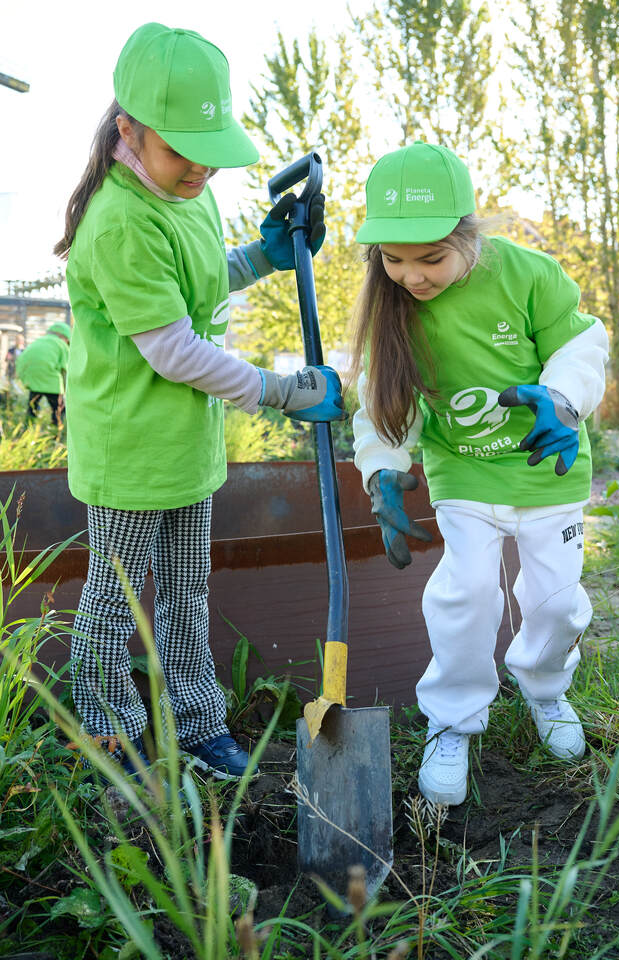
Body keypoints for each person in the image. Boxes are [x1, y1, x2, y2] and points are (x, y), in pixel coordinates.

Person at [54, 22, 345, 781]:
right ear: (128, 129)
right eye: (182, 151)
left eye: (209, 155)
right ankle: (111, 735)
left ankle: (196, 722)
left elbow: (202, 276)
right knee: (113, 603)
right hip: (130, 447)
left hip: (186, 441)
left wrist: (264, 257)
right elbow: (175, 350)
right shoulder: (117, 220)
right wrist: (282, 392)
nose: (199, 171)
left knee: (186, 593)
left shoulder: (186, 194)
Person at [350, 142, 609, 806]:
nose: (412, 276)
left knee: (556, 602)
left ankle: (544, 690)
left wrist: (561, 400)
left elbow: (581, 346)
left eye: (431, 257)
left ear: (469, 235)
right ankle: (453, 720)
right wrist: (383, 472)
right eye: (395, 259)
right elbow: (384, 405)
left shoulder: (528, 274)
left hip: (544, 464)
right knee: (465, 593)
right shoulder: (394, 307)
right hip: (463, 469)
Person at [15, 323, 71, 428]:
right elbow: (66, 370)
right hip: (52, 383)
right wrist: (65, 390)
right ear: (65, 337)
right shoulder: (62, 345)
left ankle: (28, 429)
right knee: (58, 410)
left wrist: (23, 380)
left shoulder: (37, 342)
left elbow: (21, 360)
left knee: (32, 407)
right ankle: (56, 432)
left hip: (33, 381)